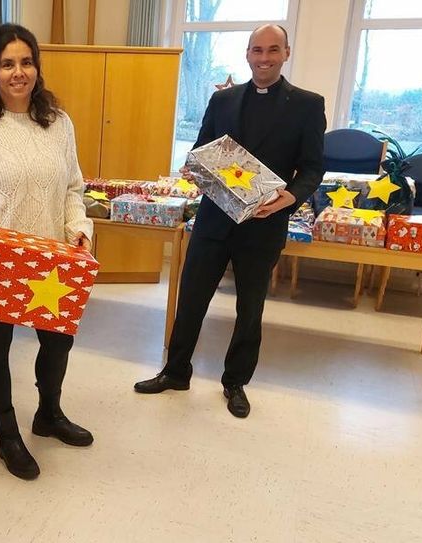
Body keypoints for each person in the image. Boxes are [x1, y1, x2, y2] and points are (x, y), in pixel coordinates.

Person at [134, 24, 326, 418]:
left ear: (287, 53)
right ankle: (175, 371)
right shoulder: (222, 101)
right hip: (213, 220)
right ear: (247, 54)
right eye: (257, 50)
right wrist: (195, 168)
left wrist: (289, 198)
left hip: (264, 223)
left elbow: (312, 168)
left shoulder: (308, 105)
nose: (264, 58)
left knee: (250, 308)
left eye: (273, 50)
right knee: (190, 299)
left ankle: (235, 382)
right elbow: (200, 149)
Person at [0, 24, 94, 480]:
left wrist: (79, 229)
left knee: (58, 340)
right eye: (8, 63)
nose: (18, 72)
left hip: (52, 260)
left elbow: (73, 188)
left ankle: (48, 414)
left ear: (37, 67)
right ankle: (6, 435)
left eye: (26, 62)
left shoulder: (59, 123)